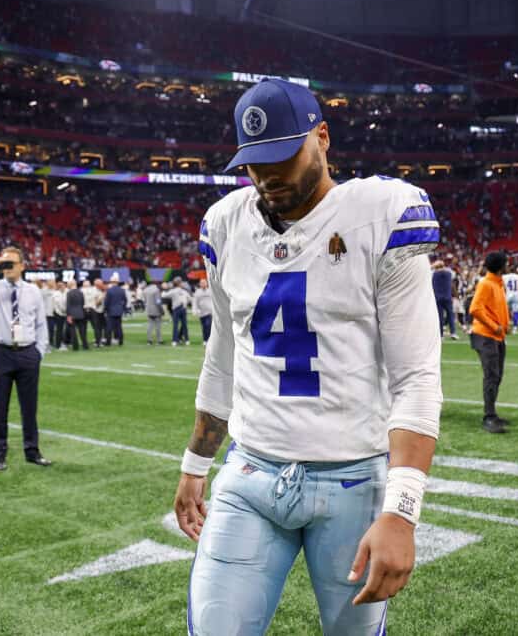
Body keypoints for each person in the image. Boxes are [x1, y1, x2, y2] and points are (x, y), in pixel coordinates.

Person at [174, 78, 442, 635]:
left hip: (352, 480)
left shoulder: (381, 212)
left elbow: (416, 376)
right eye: (253, 162)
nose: (267, 175)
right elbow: (223, 352)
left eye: (282, 155)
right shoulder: (225, 225)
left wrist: (402, 510)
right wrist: (196, 464)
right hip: (249, 473)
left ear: (322, 137)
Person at [0, 246, 51, 471]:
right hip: (1, 353)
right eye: (3, 264)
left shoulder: (33, 291)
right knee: (0, 407)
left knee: (29, 407)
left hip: (27, 354)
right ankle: (0, 453)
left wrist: (39, 353)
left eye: (10, 263)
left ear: (22, 266)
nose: (6, 268)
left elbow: (41, 324)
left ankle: (32, 451)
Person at [468, 251, 511, 434]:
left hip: (496, 336)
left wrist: (502, 327)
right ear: (501, 266)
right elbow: (475, 308)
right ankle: (489, 417)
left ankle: (492, 412)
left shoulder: (496, 284)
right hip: (486, 336)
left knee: (496, 375)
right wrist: (495, 327)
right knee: (492, 376)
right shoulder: (486, 284)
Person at [431, 260, 457, 339]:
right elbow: (454, 276)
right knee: (450, 316)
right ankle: (453, 333)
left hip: (437, 298)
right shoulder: (449, 273)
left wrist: (433, 266)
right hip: (447, 297)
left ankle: (441, 334)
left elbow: (430, 269)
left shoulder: (433, 274)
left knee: (440, 317)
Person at [164, 276, 191, 345]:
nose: (181, 283)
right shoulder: (175, 291)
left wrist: (165, 289)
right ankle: (177, 340)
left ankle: (180, 340)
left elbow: (189, 298)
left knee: (181, 325)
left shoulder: (182, 291)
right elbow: (165, 295)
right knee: (179, 325)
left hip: (180, 308)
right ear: (178, 283)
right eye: (180, 282)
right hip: (177, 308)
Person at [103, 273, 127, 346]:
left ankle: (108, 341)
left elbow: (107, 301)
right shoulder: (122, 290)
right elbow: (125, 300)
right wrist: (122, 308)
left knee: (109, 327)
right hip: (119, 311)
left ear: (111, 282)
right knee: (119, 327)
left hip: (111, 311)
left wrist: (106, 309)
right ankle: (120, 341)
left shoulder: (109, 290)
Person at [65, 280, 89, 351]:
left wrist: (68, 315)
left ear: (70, 284)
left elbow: (68, 305)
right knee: (82, 331)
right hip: (80, 313)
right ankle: (85, 345)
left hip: (72, 314)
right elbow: (83, 303)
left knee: (73, 331)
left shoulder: (69, 293)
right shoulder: (81, 292)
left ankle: (75, 346)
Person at [502, 266, 518, 334]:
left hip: (507, 295)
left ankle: (505, 326)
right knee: (516, 312)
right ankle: (515, 328)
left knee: (505, 312)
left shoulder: (504, 276)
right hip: (516, 295)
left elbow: (502, 287)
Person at [142, 278, 164, 345]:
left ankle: (149, 340)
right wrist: (161, 310)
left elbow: (145, 300)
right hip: (156, 310)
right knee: (158, 326)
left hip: (148, 309)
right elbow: (158, 302)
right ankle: (159, 340)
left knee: (150, 325)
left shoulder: (145, 290)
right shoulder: (156, 290)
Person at [192, 278, 214, 344]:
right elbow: (195, 302)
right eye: (202, 283)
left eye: (204, 282)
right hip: (201, 313)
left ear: (207, 283)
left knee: (208, 325)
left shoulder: (210, 291)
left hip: (210, 312)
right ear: (200, 284)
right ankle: (205, 340)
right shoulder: (197, 292)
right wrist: (195, 310)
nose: (203, 284)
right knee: (204, 327)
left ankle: (209, 340)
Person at [51, 281, 68, 350]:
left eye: (63, 285)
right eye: (60, 286)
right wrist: (62, 310)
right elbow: (57, 304)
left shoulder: (68, 292)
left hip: (67, 313)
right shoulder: (55, 294)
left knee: (67, 329)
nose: (61, 287)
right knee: (59, 329)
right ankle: (58, 344)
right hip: (58, 313)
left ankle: (66, 343)